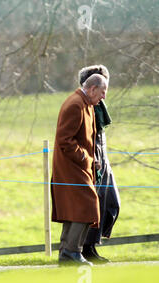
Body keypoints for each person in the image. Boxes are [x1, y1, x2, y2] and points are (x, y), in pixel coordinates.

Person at [51, 73, 109, 266]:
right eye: (102, 92)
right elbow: (64, 140)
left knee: (75, 208)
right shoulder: (75, 104)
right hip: (71, 167)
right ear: (92, 89)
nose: (104, 97)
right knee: (87, 205)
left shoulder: (88, 105)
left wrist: (93, 161)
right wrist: (85, 158)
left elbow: (86, 138)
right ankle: (71, 251)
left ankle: (66, 253)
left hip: (81, 166)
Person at [78, 65, 120, 263]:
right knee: (95, 207)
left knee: (112, 204)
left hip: (104, 160)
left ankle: (91, 245)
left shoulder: (99, 108)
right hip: (94, 162)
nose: (104, 92)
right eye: (102, 88)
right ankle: (87, 248)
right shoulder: (85, 107)